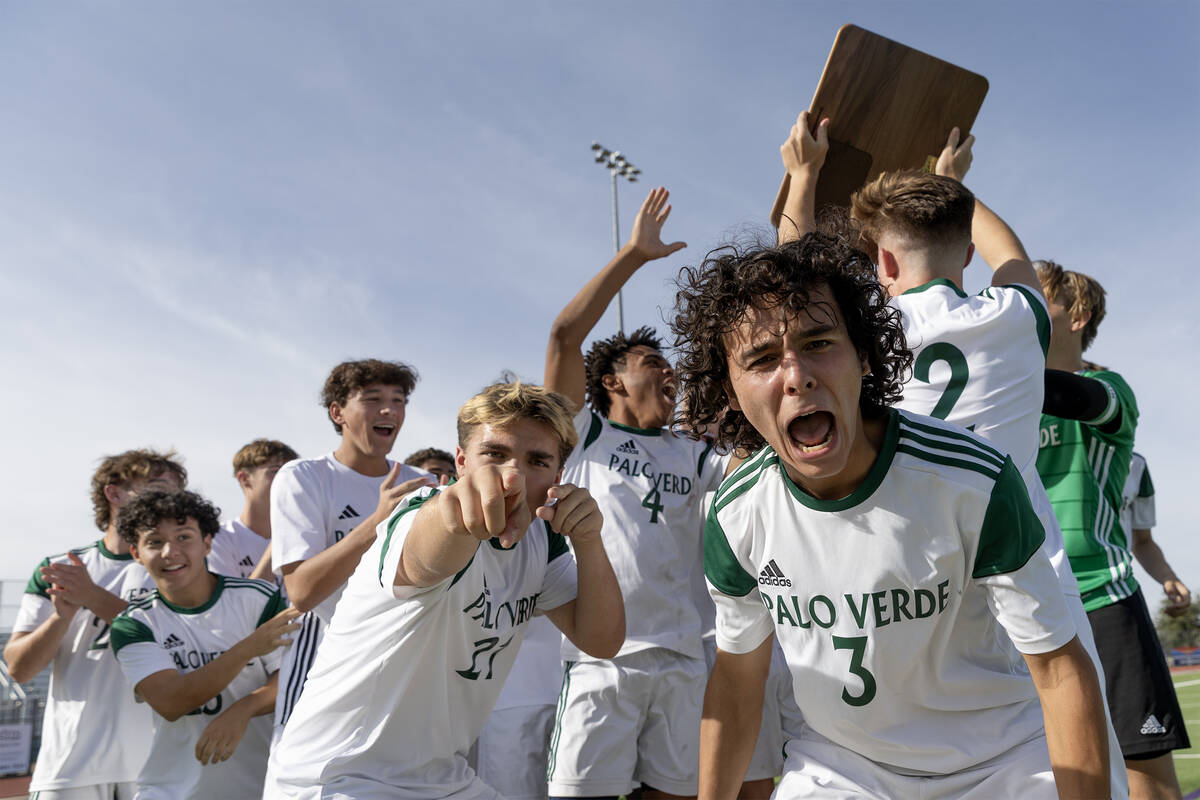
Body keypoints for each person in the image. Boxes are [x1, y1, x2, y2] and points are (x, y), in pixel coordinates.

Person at [672, 233, 1109, 799]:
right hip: (844, 767)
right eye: (760, 359)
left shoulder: (972, 479)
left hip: (1001, 761)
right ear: (728, 391)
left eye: (819, 342)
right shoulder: (735, 516)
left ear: (865, 355)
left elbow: (1059, 667)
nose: (796, 375)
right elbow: (736, 679)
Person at [777, 115, 1128, 795]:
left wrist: (803, 176)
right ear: (965, 255)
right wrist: (953, 183)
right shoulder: (1016, 317)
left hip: (907, 580)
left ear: (881, 263)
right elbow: (1013, 252)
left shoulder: (857, 333)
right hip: (1025, 584)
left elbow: (791, 288)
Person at [264, 381, 625, 799]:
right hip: (338, 779)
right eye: (494, 455)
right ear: (461, 462)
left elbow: (602, 640)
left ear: (557, 478)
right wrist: (459, 510)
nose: (513, 474)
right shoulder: (418, 512)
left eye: (537, 461)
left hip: (441, 778)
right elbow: (436, 539)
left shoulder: (543, 544)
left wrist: (590, 540)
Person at [544, 186, 729, 799]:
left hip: (682, 657)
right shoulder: (586, 435)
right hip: (603, 661)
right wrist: (633, 255)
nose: (667, 369)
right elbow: (565, 337)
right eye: (651, 360)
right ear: (611, 381)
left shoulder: (696, 454)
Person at [1036, 262, 1189, 799]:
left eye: (1037, 296)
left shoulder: (1107, 388)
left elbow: (1074, 398)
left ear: (1077, 316)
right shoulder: (1004, 401)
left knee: (1146, 770)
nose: (1019, 303)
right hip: (1022, 604)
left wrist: (989, 362)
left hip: (1101, 596)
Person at [3, 449, 185, 800]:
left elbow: (179, 642)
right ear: (114, 493)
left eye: (174, 494)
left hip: (158, 767)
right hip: (71, 766)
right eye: (157, 488)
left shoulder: (182, 570)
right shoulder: (59, 569)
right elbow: (19, 668)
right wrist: (61, 616)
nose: (168, 502)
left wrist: (90, 596)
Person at [269, 359, 435, 736]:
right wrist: (377, 523)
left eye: (398, 399)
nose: (389, 409)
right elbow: (302, 592)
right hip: (324, 665)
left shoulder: (421, 484)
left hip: (403, 667)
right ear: (337, 412)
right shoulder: (303, 478)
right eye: (373, 398)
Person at [110, 490, 300, 799]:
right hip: (171, 790)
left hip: (262, 786)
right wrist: (248, 648)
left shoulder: (259, 599)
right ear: (136, 553)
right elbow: (171, 702)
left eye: (184, 537)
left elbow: (294, 680)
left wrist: (245, 708)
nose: (170, 552)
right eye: (154, 542)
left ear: (207, 543)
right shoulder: (133, 624)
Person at [207, 438, 299, 580]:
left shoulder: (305, 533)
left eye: (291, 474)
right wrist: (282, 537)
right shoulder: (219, 538)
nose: (287, 481)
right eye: (275, 472)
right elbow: (235, 601)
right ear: (244, 479)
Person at [1122, 452, 1191, 618]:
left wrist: (1168, 577)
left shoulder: (1135, 465)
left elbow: (1142, 541)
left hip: (1114, 595)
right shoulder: (1049, 454)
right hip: (1055, 593)